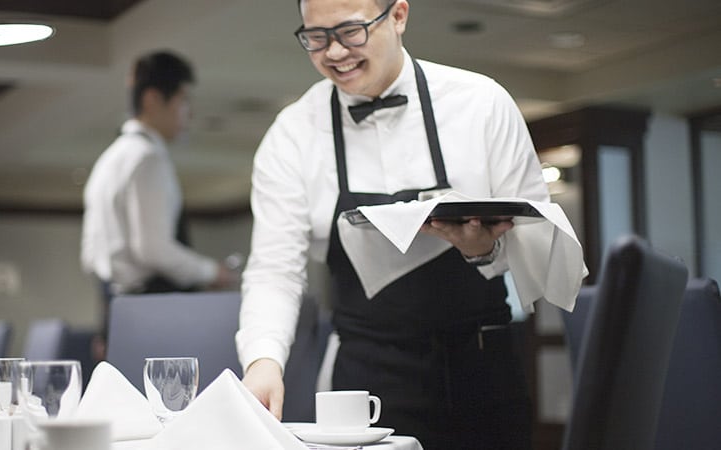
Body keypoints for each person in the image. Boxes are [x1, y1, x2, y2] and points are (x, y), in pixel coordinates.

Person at [237, 1, 552, 448]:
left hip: (483, 362)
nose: (334, 52)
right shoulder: (292, 134)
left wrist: (484, 250)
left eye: (350, 31)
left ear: (399, 15)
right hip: (365, 376)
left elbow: (540, 244)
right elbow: (275, 270)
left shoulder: (481, 104)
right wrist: (263, 361)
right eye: (316, 37)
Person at [81, 51, 235, 334]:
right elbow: (152, 249)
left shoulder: (109, 159)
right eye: (183, 99)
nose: (189, 112)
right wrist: (211, 272)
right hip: (151, 309)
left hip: (117, 304)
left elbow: (91, 255)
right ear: (153, 99)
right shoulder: (147, 158)